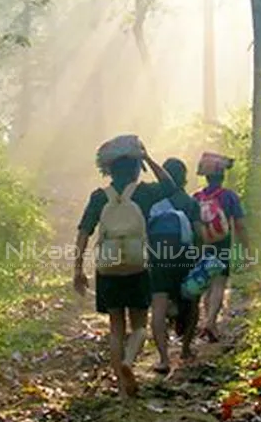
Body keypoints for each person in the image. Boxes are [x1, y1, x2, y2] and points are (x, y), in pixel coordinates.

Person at [74, 145, 178, 397]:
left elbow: (84, 233)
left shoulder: (99, 196)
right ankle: (129, 362)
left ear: (109, 170)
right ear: (135, 170)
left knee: (115, 327)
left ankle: (121, 386)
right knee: (140, 325)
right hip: (137, 264)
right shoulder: (142, 192)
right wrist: (148, 157)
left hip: (108, 266)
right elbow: (170, 186)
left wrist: (77, 269)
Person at [143, 158, 203, 370]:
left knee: (158, 306)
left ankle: (163, 359)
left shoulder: (154, 201)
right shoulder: (190, 203)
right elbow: (200, 234)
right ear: (184, 178)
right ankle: (185, 349)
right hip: (185, 255)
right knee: (192, 301)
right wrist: (198, 257)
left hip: (159, 257)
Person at [193, 164, 251, 342]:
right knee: (218, 285)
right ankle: (210, 322)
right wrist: (247, 249)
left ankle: (207, 321)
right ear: (222, 177)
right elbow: (239, 225)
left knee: (206, 286)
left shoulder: (196, 197)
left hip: (201, 246)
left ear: (206, 177)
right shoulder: (229, 196)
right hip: (222, 245)